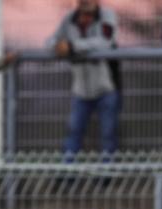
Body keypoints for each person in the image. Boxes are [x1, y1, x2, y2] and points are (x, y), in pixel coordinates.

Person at [48, 0, 120, 157]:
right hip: (80, 89)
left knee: (108, 134)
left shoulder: (106, 16)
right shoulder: (69, 19)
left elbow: (106, 42)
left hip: (107, 87)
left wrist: (73, 46)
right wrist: (58, 46)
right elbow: (50, 41)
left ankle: (107, 176)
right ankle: (68, 175)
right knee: (73, 133)